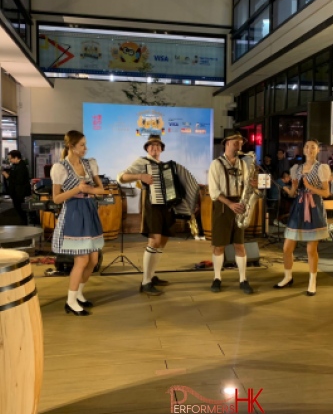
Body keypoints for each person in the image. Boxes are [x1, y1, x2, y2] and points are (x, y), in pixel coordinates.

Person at [117, 134, 199, 296]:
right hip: (152, 205)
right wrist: (140, 176)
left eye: (158, 145)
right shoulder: (142, 163)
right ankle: (145, 282)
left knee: (163, 241)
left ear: (162, 149)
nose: (154, 148)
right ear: (147, 148)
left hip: (167, 206)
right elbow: (121, 177)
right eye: (151, 145)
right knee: (154, 241)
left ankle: (152, 275)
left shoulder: (168, 166)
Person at [51, 131, 108, 316]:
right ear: (71, 146)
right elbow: (57, 199)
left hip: (89, 210)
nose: (85, 148)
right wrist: (77, 189)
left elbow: (101, 189)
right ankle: (70, 301)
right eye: (82, 145)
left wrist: (90, 190)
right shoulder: (60, 168)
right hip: (73, 214)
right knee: (82, 259)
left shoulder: (89, 164)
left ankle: (79, 295)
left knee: (93, 259)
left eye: (85, 144)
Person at [274, 139, 331, 296]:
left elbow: (326, 193)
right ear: (303, 149)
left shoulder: (322, 168)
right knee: (287, 247)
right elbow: (293, 193)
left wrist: (310, 186)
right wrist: (287, 189)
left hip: (313, 208)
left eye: (313, 147)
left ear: (318, 150)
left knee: (311, 249)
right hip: (298, 207)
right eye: (307, 146)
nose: (309, 149)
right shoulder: (296, 168)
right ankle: (287, 277)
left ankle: (312, 282)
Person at [208, 130, 260, 294]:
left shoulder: (244, 164)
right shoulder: (216, 164)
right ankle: (217, 278)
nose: (239, 145)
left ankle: (243, 279)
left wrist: (254, 184)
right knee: (219, 245)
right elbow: (214, 191)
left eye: (240, 142)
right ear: (227, 143)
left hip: (240, 204)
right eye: (236, 142)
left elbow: (246, 186)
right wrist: (230, 204)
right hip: (223, 207)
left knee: (240, 245)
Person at [1, 150, 31, 225]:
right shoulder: (15, 166)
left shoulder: (22, 167)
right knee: (18, 209)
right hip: (15, 193)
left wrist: (7, 176)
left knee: (20, 210)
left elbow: (18, 180)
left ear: (16, 157)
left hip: (20, 193)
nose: (10, 160)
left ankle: (24, 225)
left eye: (11, 158)